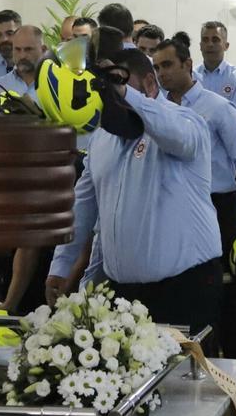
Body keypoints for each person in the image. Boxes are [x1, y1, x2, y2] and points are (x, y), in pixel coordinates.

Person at [46, 49, 223, 339]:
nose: (112, 104)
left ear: (150, 85)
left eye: (118, 93)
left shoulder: (188, 123)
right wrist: (63, 264)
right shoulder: (102, 138)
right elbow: (83, 207)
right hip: (123, 291)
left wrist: (125, 92)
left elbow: (174, 134)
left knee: (180, 380)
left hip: (185, 287)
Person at [153, 38, 236, 357]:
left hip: (216, 206)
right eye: (157, 67)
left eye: (168, 65)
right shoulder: (158, 109)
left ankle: (229, 361)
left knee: (221, 289)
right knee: (177, 286)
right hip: (171, 207)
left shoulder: (216, 107)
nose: (162, 73)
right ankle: (181, 357)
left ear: (188, 65)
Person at [194, 20, 236, 120]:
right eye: (205, 40)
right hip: (195, 135)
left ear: (226, 46)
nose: (210, 44)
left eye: (215, 40)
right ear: (200, 46)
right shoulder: (190, 76)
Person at [0, 24, 46, 105]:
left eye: (28, 49)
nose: (22, 56)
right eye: (17, 49)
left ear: (43, 50)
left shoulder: (56, 86)